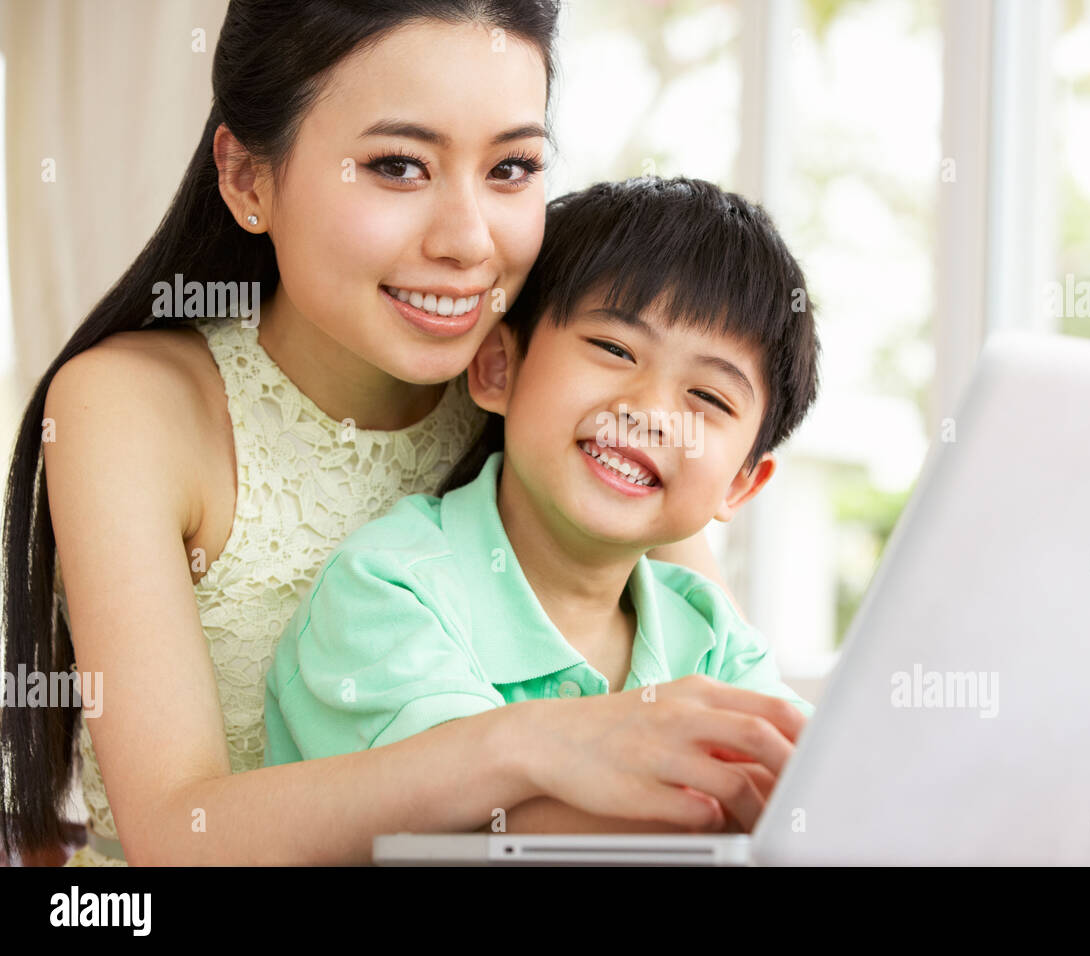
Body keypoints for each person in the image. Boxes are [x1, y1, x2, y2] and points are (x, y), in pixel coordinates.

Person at [0, 1, 808, 866]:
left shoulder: (555, 401)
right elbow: (177, 835)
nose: (468, 242)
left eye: (512, 168)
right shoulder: (127, 406)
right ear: (246, 179)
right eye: (397, 165)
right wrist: (532, 743)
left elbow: (716, 705)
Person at [263, 177, 821, 835]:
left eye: (710, 398)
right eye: (615, 349)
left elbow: (815, 794)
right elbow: (482, 824)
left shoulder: (711, 638)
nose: (648, 411)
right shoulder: (391, 587)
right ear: (499, 369)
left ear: (739, 487)